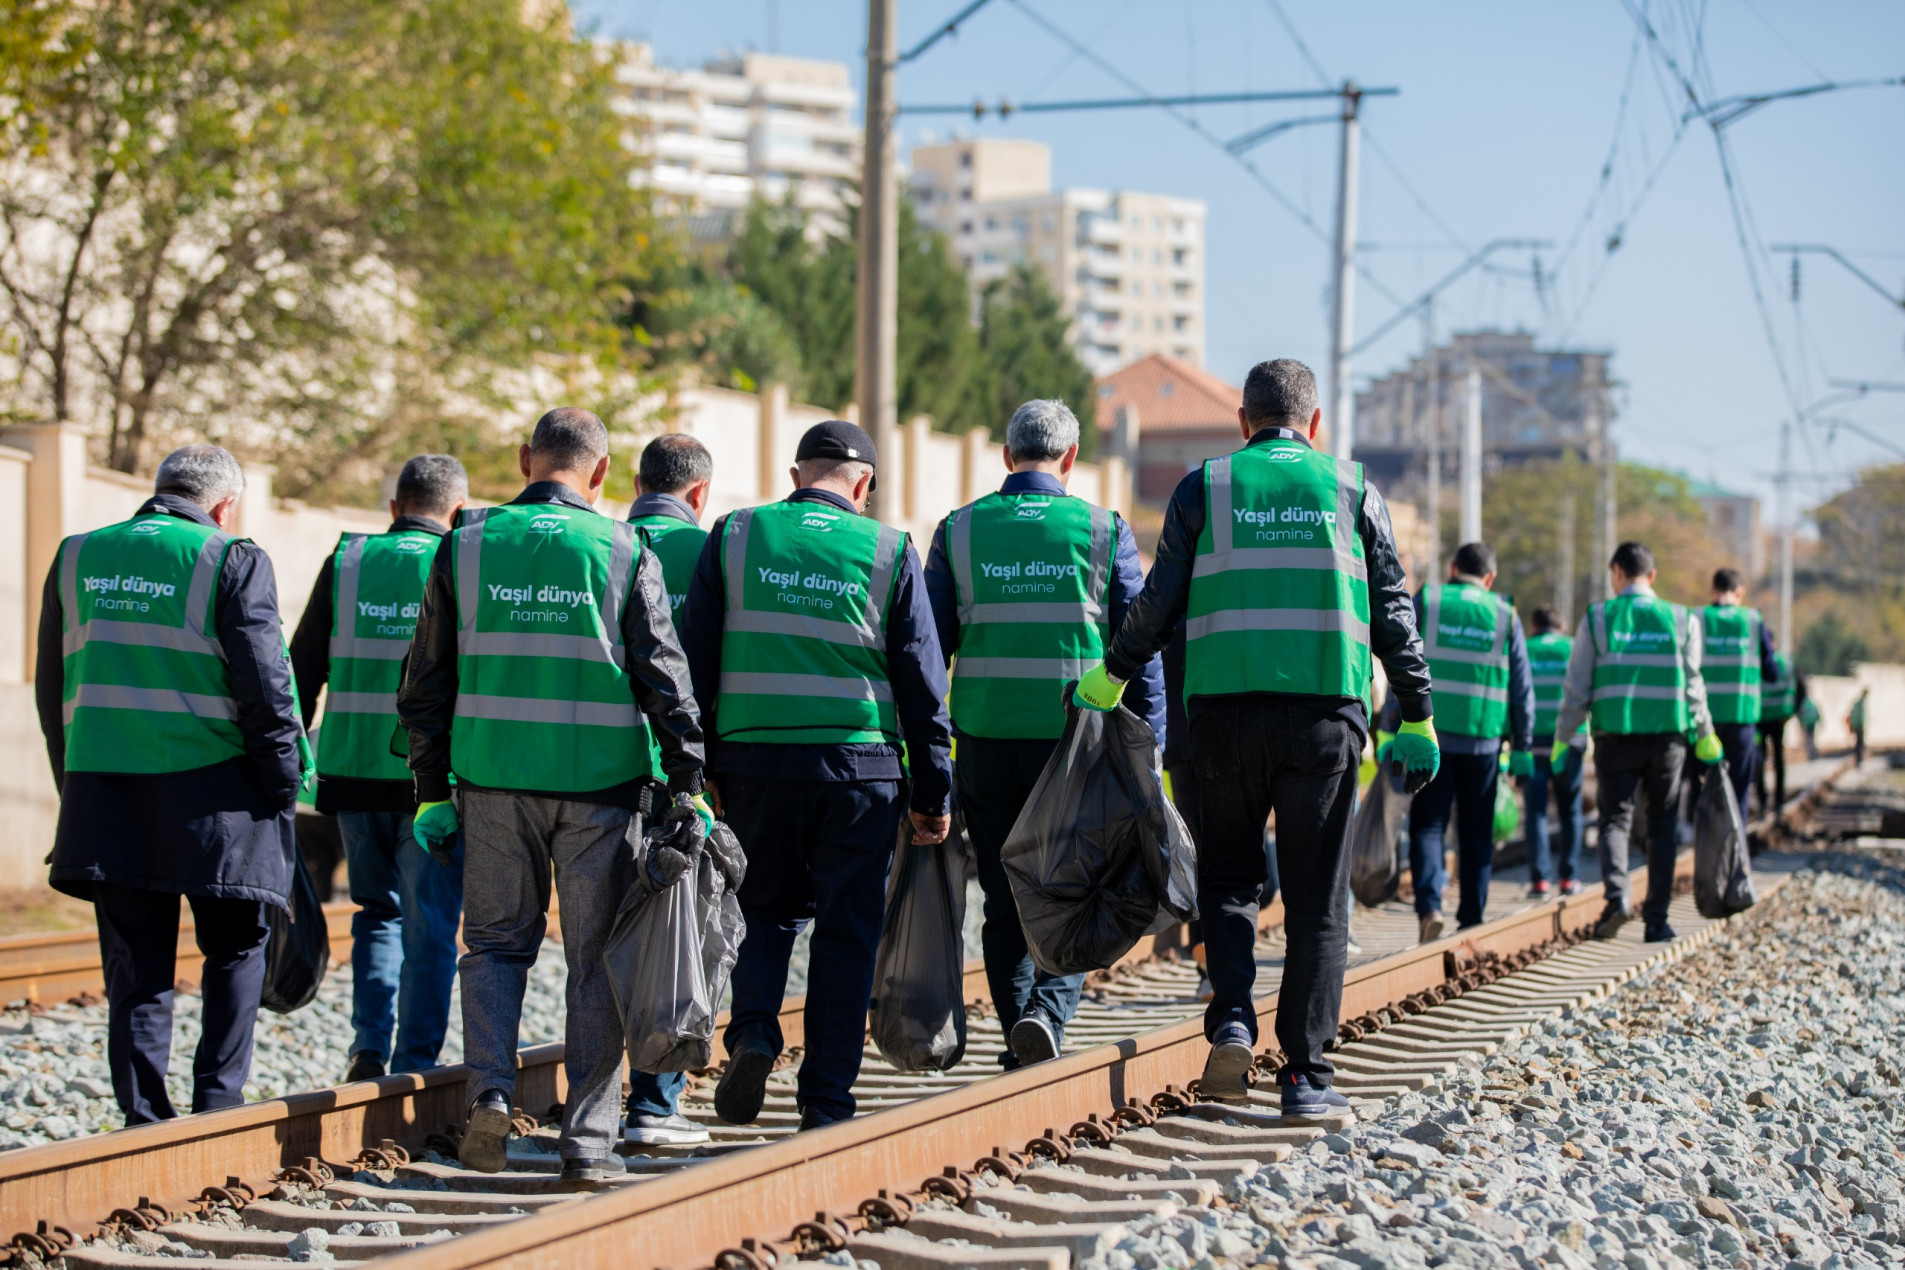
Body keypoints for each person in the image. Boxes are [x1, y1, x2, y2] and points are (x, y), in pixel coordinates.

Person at [1073, 358, 1436, 1117]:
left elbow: (1158, 602)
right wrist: (1418, 711)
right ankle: (1304, 1075)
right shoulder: (1351, 488)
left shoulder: (1204, 487)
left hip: (1221, 718)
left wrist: (1110, 674)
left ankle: (1232, 1017)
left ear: (1243, 422)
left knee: (1230, 883)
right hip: (1323, 720)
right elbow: (1392, 610)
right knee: (1313, 899)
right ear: (1314, 425)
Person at [397, 409, 707, 1183]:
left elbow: (424, 684)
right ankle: (589, 1142)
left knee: (495, 947)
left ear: (526, 460)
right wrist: (688, 782)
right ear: (602, 474)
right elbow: (665, 680)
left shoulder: (462, 544)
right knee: (595, 962)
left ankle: (492, 1098)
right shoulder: (623, 547)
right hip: (600, 794)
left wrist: (431, 791)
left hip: (492, 785)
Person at [679, 419, 954, 1131]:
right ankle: (826, 1098)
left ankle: (754, 1035)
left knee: (762, 913)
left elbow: (693, 657)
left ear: (798, 474)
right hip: (858, 771)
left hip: (752, 762)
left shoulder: (737, 534)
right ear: (861, 484)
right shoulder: (889, 549)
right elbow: (922, 685)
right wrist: (932, 792)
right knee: (846, 932)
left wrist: (698, 764)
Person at [36, 445, 303, 1125]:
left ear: (159, 490)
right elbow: (267, 691)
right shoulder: (229, 558)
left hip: (106, 792)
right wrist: (283, 788)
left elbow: (52, 689)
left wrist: (77, 787)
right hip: (219, 801)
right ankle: (216, 1107)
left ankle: (142, 1121)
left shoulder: (75, 556)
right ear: (223, 505)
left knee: (136, 964)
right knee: (237, 948)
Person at [923, 399, 1166, 1069]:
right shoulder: (1099, 529)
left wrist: (924, 745)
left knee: (1006, 897)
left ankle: (1018, 1031)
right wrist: (1155, 747)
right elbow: (1136, 642)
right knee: (1079, 884)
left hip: (983, 736)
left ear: (1006, 457)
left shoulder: (959, 530)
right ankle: (1047, 1013)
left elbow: (925, 648)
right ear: (1069, 458)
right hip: (1076, 744)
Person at [291, 455, 468, 1083]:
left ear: (395, 508)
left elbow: (299, 667)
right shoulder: (460, 560)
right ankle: (414, 1062)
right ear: (456, 515)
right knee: (432, 924)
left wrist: (299, 761)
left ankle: (367, 1048)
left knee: (376, 911)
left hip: (351, 772)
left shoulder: (348, 561)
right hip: (434, 784)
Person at [619, 433, 718, 1148]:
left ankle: (602, 1100)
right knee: (676, 930)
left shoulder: (603, 542)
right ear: (700, 493)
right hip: (683, 769)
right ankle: (655, 1102)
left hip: (598, 764)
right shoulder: (716, 552)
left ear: (631, 481)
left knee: (602, 936)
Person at [1552, 541, 1720, 944]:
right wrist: (1705, 732)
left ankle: (1618, 898)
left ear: (1616, 573)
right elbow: (1694, 684)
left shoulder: (1597, 617)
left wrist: (1563, 737)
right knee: (1662, 827)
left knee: (1614, 821)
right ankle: (1657, 922)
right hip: (1669, 740)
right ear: (1653, 576)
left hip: (1615, 737)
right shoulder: (1683, 619)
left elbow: (1577, 687)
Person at [1405, 543, 1534, 938]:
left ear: (1452, 568)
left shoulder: (1428, 599)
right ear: (1490, 578)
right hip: (1484, 743)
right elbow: (1522, 688)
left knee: (1428, 825)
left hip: (1431, 739)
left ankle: (1430, 905)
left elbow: (1401, 655)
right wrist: (1524, 746)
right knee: (1477, 833)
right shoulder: (1505, 613)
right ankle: (1472, 919)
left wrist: (1393, 722)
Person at [1699, 568, 1777, 830]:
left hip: (1703, 723)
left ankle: (1702, 845)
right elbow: (1771, 671)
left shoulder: (1697, 617)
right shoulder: (1753, 620)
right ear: (1740, 593)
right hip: (1741, 719)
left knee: (1704, 788)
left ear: (1712, 591)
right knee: (1738, 793)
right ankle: (1735, 854)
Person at [1523, 605, 1585, 899]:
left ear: (1534, 626)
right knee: (1569, 809)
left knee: (1535, 811)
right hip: (1568, 739)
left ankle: (1539, 881)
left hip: (1533, 740)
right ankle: (1569, 879)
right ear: (1560, 626)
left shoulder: (1525, 647)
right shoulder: (1573, 647)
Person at [1756, 641, 1796, 814]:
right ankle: (1779, 799)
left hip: (1760, 718)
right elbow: (1797, 688)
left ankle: (1762, 799)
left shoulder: (1756, 661)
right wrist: (1790, 712)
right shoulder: (1785, 662)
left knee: (1760, 758)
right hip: (1779, 718)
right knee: (1779, 757)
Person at [1848, 687, 1870, 766]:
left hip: (1855, 724)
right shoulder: (1862, 703)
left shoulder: (1857, 702)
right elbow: (1862, 716)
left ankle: (1858, 759)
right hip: (1860, 725)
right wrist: (1863, 725)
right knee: (1860, 742)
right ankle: (1859, 759)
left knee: (1857, 742)